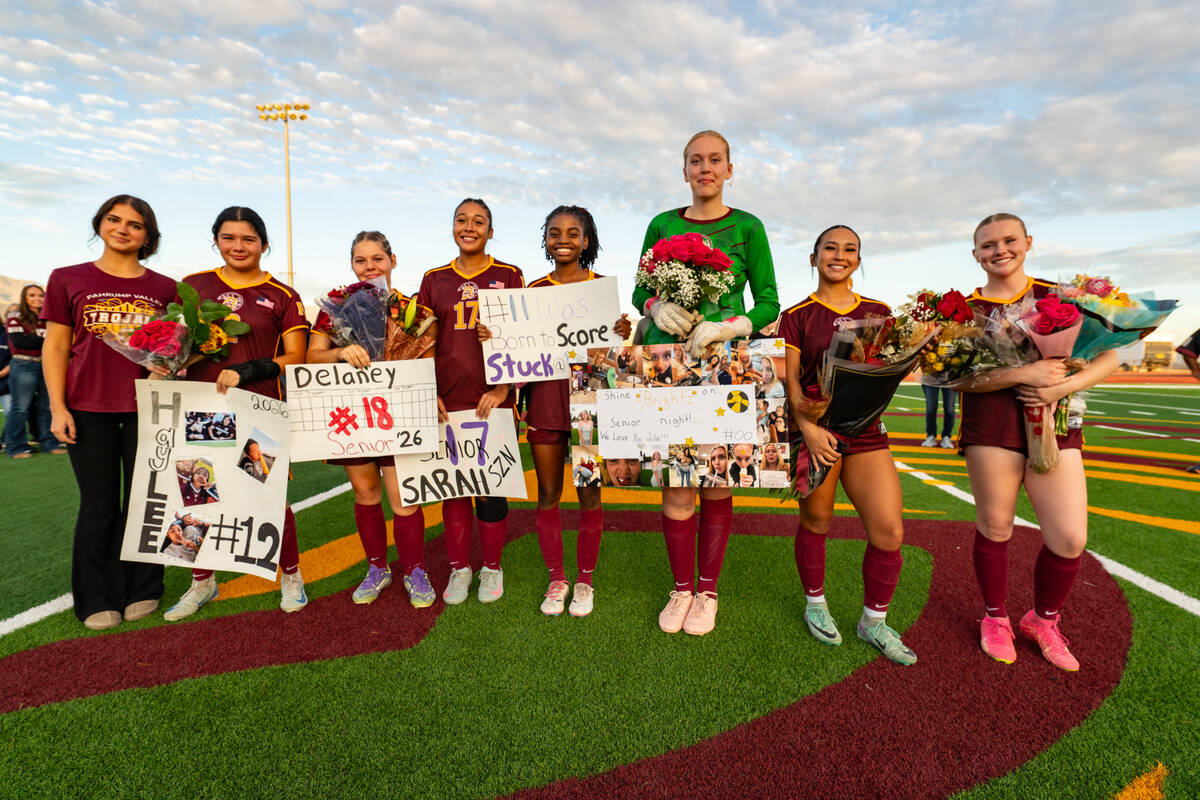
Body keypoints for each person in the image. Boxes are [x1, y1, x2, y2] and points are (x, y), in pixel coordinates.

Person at [633, 130, 779, 636]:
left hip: (725, 363)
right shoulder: (662, 224)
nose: (705, 168)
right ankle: (681, 590)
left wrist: (731, 325)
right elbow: (639, 288)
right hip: (669, 363)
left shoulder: (748, 227)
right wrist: (656, 306)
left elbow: (768, 301)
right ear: (684, 170)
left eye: (715, 160)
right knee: (677, 481)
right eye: (696, 161)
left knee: (716, 481)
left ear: (730, 169)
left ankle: (708, 590)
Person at [960, 213, 1119, 671]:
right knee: (996, 526)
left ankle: (1043, 620)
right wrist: (1022, 374)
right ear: (976, 254)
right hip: (991, 425)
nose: (999, 250)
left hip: (1055, 421)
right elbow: (956, 380)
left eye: (1009, 240)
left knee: (1069, 537)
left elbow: (1108, 355)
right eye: (987, 245)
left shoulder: (1061, 298)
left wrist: (1059, 387)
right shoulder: (963, 310)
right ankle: (995, 616)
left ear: (1028, 242)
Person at [163, 206, 310, 621]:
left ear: (264, 244)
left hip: (261, 408)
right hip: (204, 409)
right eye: (229, 237)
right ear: (216, 240)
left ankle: (292, 575)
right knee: (197, 494)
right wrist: (163, 361)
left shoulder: (283, 295)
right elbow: (173, 343)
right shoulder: (193, 287)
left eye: (248, 239)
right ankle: (202, 581)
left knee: (268, 498)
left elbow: (296, 357)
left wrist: (248, 370)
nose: (238, 246)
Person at [781, 225, 917, 665]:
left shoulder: (879, 312)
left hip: (866, 434)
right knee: (818, 522)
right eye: (830, 248)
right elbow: (791, 385)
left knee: (889, 530)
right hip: (818, 434)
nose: (839, 255)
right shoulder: (796, 315)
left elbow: (890, 372)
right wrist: (809, 428)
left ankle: (873, 621)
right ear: (814, 256)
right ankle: (815, 604)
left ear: (858, 259)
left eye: (850, 249)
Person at [485, 206, 631, 616]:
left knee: (588, 493)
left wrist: (622, 334)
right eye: (554, 232)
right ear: (545, 240)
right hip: (546, 405)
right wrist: (492, 336)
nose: (562, 239)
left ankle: (584, 581)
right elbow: (512, 351)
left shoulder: (601, 289)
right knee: (548, 494)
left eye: (572, 232)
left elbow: (616, 355)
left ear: (587, 240)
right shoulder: (531, 291)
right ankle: (557, 578)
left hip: (589, 407)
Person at [41, 195, 177, 630]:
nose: (123, 229)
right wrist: (58, 407)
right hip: (87, 408)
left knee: (145, 503)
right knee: (98, 506)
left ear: (147, 236)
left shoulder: (165, 287)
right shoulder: (66, 278)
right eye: (114, 219)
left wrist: (170, 363)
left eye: (135, 225)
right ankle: (97, 596)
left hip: (147, 408)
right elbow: (58, 346)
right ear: (99, 224)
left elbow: (174, 347)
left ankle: (144, 587)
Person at [306, 231, 437, 607]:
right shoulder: (335, 306)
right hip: (353, 415)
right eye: (361, 261)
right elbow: (313, 357)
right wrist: (341, 351)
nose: (369, 267)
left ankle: (414, 569)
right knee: (365, 493)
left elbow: (427, 361)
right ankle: (377, 568)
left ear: (393, 260)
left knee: (403, 498)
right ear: (351, 264)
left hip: (398, 414)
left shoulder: (412, 311)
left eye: (377, 259)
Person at [418, 198, 523, 604]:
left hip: (490, 398)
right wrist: (429, 392)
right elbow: (422, 340)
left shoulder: (509, 275)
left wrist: (503, 390)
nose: (470, 226)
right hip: (447, 399)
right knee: (454, 490)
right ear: (453, 228)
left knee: (490, 487)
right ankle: (460, 568)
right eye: (462, 220)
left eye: (479, 221)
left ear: (490, 231)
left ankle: (492, 567)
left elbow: (522, 337)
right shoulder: (433, 278)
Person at [5, 285, 63, 457]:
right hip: (24, 365)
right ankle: (15, 447)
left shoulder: (50, 317)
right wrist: (47, 341)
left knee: (47, 406)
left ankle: (49, 443)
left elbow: (59, 340)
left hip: (48, 364)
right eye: (32, 295)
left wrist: (37, 339)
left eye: (40, 295)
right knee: (21, 408)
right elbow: (19, 341)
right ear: (25, 297)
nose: (37, 298)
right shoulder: (16, 315)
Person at [921, 375, 957, 448]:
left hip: (950, 378)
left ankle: (946, 436)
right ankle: (931, 436)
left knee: (949, 408)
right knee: (931, 408)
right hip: (930, 377)